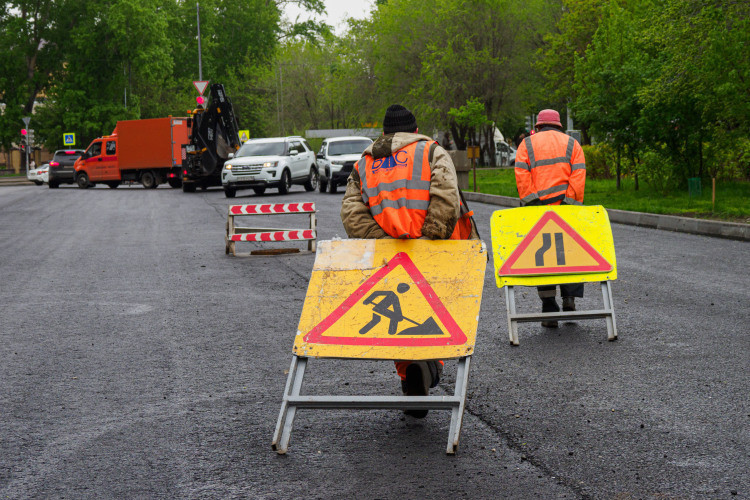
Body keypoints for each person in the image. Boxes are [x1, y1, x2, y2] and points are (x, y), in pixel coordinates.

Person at [341, 104, 479, 418]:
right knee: (436, 315)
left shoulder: (365, 162)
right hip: (433, 252)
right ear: (414, 131)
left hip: (389, 256)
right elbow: (446, 197)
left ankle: (409, 375)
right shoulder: (431, 152)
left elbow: (351, 212)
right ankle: (427, 367)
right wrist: (431, 241)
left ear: (385, 133)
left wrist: (381, 241)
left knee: (397, 317)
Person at [514, 109, 586, 328]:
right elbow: (579, 174)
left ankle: (549, 308)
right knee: (570, 257)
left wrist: (534, 203)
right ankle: (569, 301)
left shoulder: (526, 144)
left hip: (538, 212)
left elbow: (522, 175)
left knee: (542, 258)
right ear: (559, 125)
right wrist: (567, 204)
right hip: (567, 211)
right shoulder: (573, 145)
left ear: (538, 126)